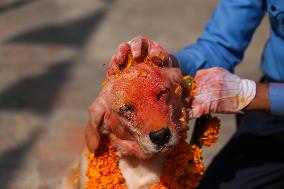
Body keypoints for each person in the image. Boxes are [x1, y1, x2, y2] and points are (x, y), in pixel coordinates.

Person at [102, 1, 284, 188]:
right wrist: (165, 65)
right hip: (274, 115)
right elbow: (219, 46)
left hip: (265, 99)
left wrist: (255, 96)